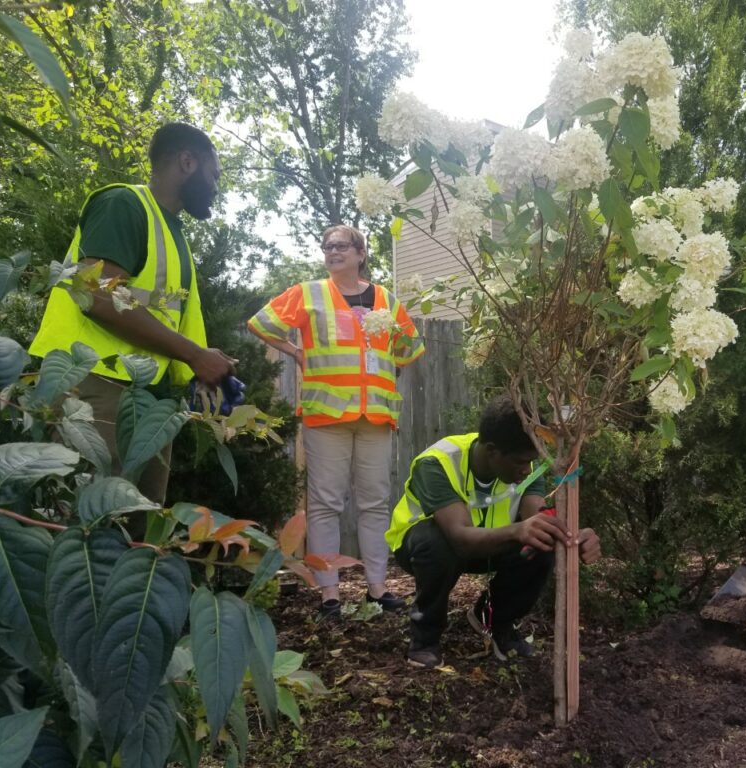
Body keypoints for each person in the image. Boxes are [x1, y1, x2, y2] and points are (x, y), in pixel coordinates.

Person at [30, 122, 235, 505]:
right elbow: (97, 296)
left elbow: (167, 320)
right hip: (95, 388)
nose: (216, 186)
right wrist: (194, 355)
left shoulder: (174, 235)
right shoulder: (123, 204)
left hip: (148, 403)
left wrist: (203, 369)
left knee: (137, 536)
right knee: (95, 528)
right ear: (188, 162)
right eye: (214, 174)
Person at [247, 224, 424, 620]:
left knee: (375, 503)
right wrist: (294, 350)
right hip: (326, 414)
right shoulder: (308, 293)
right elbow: (260, 323)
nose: (332, 251)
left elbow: (411, 347)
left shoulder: (386, 300)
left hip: (375, 414)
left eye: (341, 245)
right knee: (326, 504)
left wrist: (387, 353)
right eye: (327, 246)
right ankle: (329, 593)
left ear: (361, 253)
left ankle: (377, 589)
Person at [385, 394, 602, 669]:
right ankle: (425, 636)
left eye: (530, 462)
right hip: (429, 549)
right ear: (491, 452)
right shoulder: (438, 463)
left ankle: (497, 621)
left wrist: (572, 537)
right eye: (520, 463)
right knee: (437, 542)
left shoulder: (524, 466)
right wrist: (518, 531)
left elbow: (538, 515)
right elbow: (460, 539)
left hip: (488, 545)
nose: (526, 470)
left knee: (541, 543)